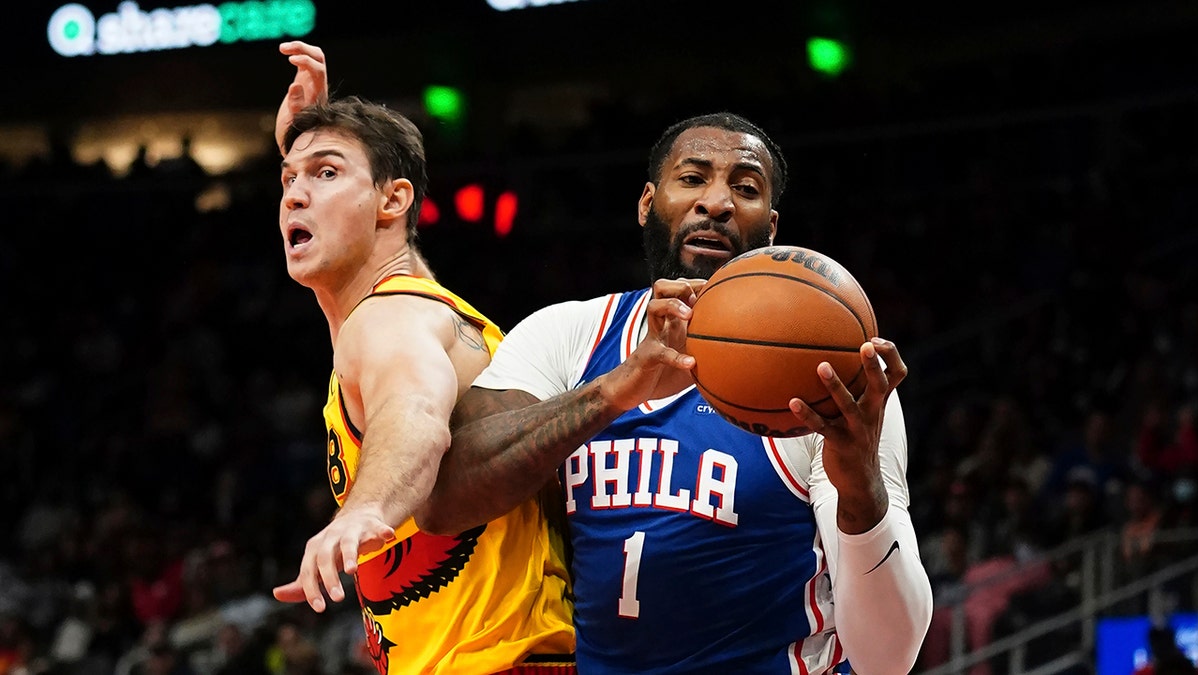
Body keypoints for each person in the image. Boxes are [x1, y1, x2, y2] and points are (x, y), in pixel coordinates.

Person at [420, 114, 935, 673]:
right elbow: (443, 501)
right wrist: (613, 391)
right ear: (647, 203)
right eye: (692, 178)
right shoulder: (567, 336)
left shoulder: (824, 375)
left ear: (771, 227)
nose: (717, 203)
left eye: (746, 188)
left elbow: (889, 659)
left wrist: (860, 488)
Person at [268, 76, 574, 673]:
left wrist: (365, 508)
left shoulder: (387, 319)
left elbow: (414, 414)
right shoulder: (429, 311)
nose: (294, 196)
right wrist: (307, 141)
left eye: (326, 174)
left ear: (394, 200)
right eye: (289, 180)